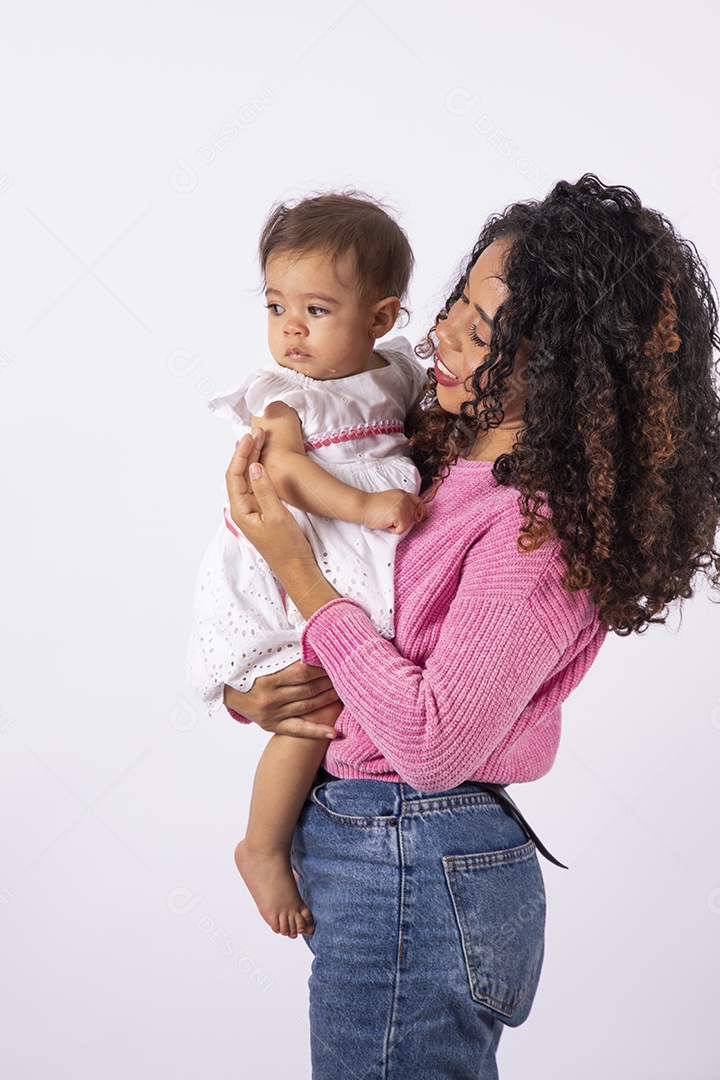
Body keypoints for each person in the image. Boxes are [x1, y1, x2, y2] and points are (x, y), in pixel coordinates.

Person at [221, 174, 720, 1079]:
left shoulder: (538, 529)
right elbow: (365, 636)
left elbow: (432, 741)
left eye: (482, 331)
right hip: (377, 844)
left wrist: (299, 574)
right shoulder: (439, 457)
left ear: (564, 365)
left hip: (414, 849)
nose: (441, 335)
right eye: (456, 302)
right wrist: (259, 692)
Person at [188, 193, 428, 938]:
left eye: (317, 310)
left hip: (349, 562)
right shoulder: (286, 398)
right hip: (295, 561)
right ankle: (261, 847)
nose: (289, 328)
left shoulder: (396, 377)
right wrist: (363, 507)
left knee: (364, 687)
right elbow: (286, 475)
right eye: (275, 305)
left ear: (381, 319)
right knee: (314, 708)